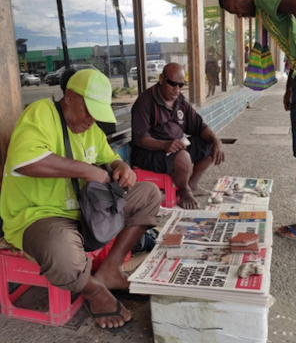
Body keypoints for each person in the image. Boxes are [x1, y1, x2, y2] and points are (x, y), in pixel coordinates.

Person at [0, 69, 161, 332]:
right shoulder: (42, 112)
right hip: (41, 217)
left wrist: (122, 166)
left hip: (84, 211)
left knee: (149, 194)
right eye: (89, 110)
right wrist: (88, 170)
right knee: (61, 253)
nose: (92, 119)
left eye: (98, 112)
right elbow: (26, 162)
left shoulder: (90, 127)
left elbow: (109, 156)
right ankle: (93, 290)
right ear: (70, 97)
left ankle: (110, 270)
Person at [219, 0, 296, 245]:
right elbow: (295, 47)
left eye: (235, 10)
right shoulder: (270, 0)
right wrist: (291, 84)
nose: (240, 16)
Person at [131, 62, 225, 210]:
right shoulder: (145, 101)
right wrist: (164, 144)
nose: (177, 90)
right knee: (183, 157)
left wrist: (216, 140)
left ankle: (192, 184)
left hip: (176, 147)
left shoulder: (180, 101)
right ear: (162, 79)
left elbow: (199, 126)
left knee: (208, 143)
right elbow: (140, 138)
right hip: (150, 152)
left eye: (181, 85)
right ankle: (184, 190)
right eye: (173, 84)